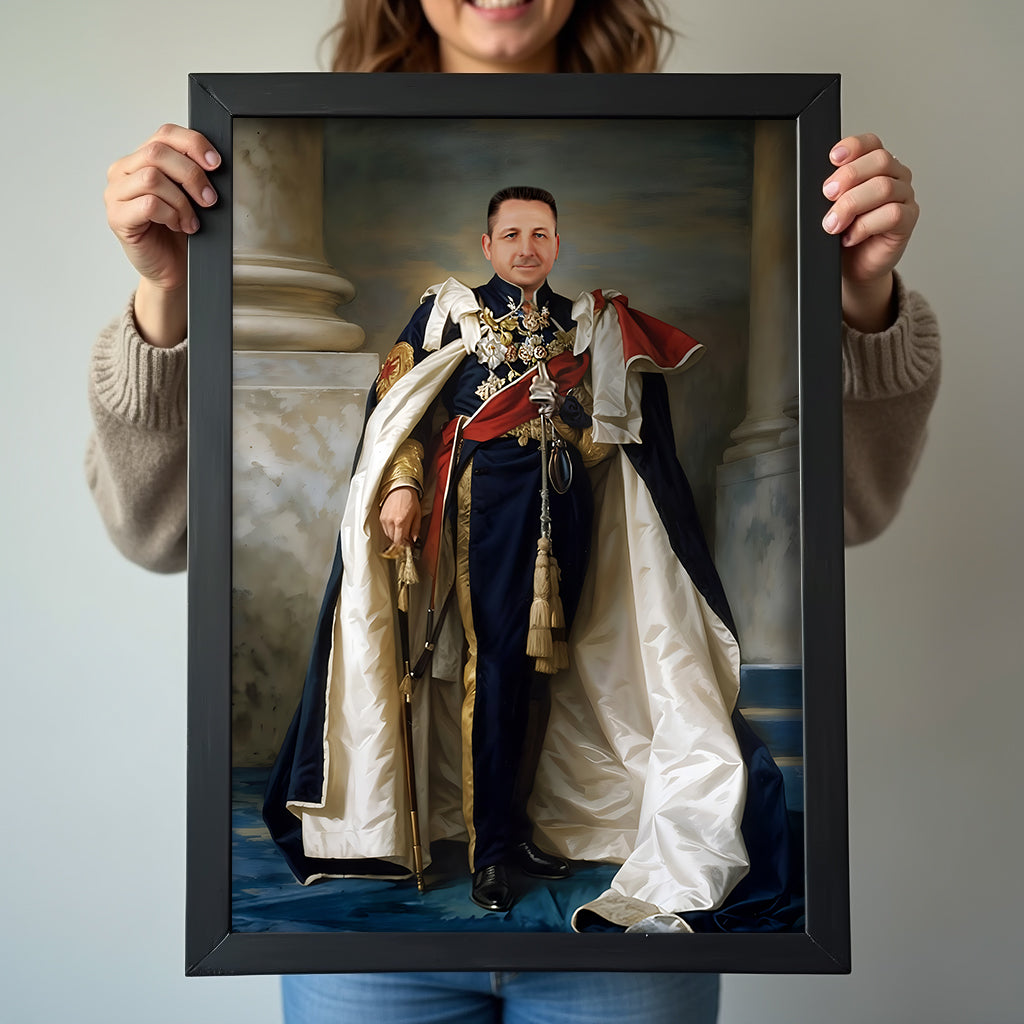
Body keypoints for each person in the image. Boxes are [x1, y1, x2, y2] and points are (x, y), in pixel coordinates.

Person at [89, 1, 940, 1021]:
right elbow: (394, 408)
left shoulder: (591, 320)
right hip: (472, 525)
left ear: (554, 240)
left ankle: (529, 827)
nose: (529, 246)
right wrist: (176, 308)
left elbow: (805, 497)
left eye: (544, 233)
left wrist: (857, 308)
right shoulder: (447, 310)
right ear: (488, 239)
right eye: (514, 233)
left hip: (568, 525)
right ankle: (491, 847)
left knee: (564, 682)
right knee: (490, 674)